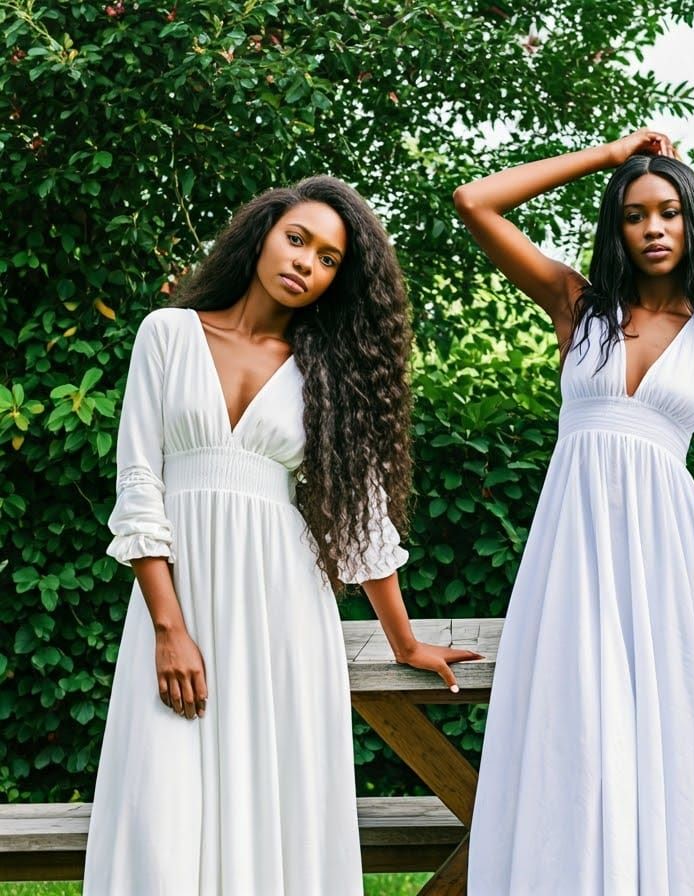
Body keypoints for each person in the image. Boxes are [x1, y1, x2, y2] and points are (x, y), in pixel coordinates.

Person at [83, 176, 478, 895]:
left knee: (277, 809)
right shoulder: (168, 333)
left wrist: (405, 642)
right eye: (297, 239)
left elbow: (361, 521)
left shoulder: (327, 374)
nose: (306, 263)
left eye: (328, 259)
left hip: (282, 611)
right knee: (160, 816)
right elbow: (139, 487)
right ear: (262, 233)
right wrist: (169, 629)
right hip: (180, 605)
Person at [454, 129, 694, 894]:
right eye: (635, 214)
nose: (653, 228)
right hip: (573, 553)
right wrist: (607, 156)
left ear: (692, 220)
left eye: (669, 211)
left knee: (664, 734)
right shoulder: (578, 306)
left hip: (670, 563)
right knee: (573, 723)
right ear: (618, 228)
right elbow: (475, 201)